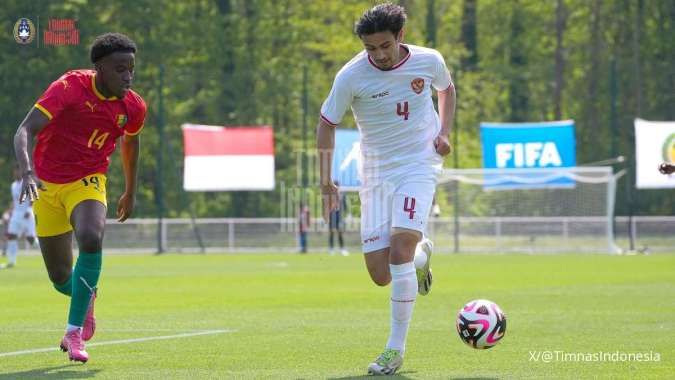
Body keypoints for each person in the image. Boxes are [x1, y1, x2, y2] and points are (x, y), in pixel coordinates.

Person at [317, 3, 455, 375]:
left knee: (398, 251)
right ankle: (422, 255)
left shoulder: (429, 61)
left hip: (418, 164)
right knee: (380, 274)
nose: (378, 54)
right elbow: (327, 121)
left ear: (400, 37)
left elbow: (447, 89)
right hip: (375, 172)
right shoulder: (351, 76)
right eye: (370, 48)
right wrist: (325, 179)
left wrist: (443, 132)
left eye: (384, 46)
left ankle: (394, 350)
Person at [13, 32, 146, 363]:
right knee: (60, 279)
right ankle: (87, 297)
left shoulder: (133, 106)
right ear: (99, 68)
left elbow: (131, 143)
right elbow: (24, 130)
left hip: (88, 180)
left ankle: (73, 334)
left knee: (90, 237)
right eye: (120, 69)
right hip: (46, 185)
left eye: (131, 68)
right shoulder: (69, 88)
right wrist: (28, 172)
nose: (127, 76)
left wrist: (130, 190)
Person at [1, 165, 37, 269]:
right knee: (11, 236)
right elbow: (15, 202)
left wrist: (29, 210)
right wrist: (9, 213)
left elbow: (32, 197)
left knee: (30, 239)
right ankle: (11, 262)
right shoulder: (13, 185)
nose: (16, 173)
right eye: (15, 171)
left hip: (27, 214)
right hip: (16, 215)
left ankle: (48, 253)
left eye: (18, 171)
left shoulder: (26, 183)